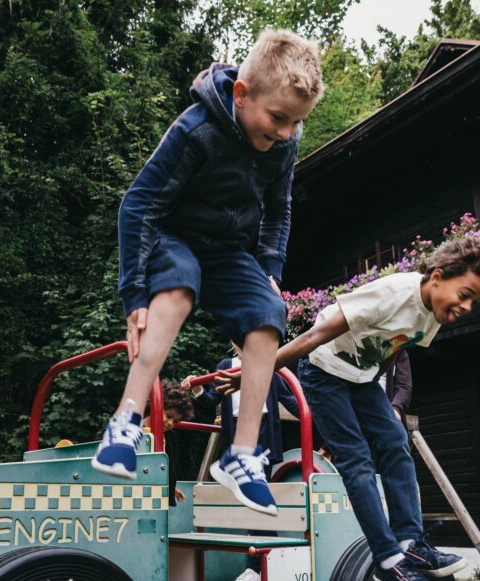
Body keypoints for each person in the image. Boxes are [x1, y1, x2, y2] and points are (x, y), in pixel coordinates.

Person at [91, 29, 325, 518]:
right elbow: (137, 205)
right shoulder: (197, 128)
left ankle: (241, 456)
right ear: (241, 95)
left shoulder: (284, 144)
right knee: (177, 287)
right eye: (278, 119)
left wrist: (268, 270)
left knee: (268, 313)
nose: (285, 133)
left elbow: (278, 209)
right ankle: (126, 420)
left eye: (296, 123)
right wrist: (134, 295)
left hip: (227, 251)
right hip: (172, 237)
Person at [219, 236, 480, 581]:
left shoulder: (433, 316)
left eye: (475, 302)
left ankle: (410, 542)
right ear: (437, 276)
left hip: (361, 379)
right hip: (322, 369)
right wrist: (255, 371)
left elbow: (395, 348)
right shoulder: (394, 292)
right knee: (356, 458)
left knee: (395, 442)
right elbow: (314, 335)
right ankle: (388, 560)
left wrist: (380, 403)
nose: (466, 307)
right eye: (465, 294)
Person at [181, 347, 301, 581]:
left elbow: (292, 401)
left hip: (262, 434)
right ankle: (269, 562)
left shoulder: (270, 362)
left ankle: (258, 567)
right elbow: (212, 399)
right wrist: (197, 389)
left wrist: (321, 414)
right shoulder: (226, 364)